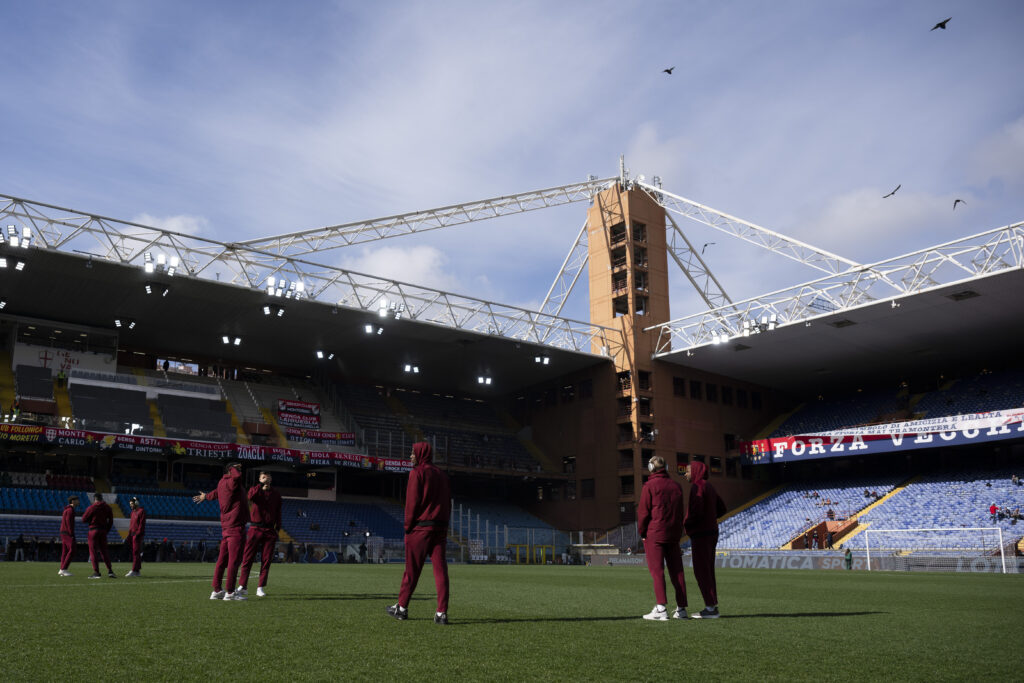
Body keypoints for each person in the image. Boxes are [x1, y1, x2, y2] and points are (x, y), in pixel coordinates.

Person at [386, 441, 451, 625]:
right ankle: (441, 613)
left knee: (411, 571)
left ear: (421, 454)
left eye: (413, 453)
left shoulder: (417, 473)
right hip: (440, 528)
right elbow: (448, 503)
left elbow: (412, 503)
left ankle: (402, 608)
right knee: (441, 571)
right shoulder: (443, 475)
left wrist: (408, 527)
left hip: (421, 528)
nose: (410, 456)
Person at [637, 455, 688, 620]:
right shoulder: (676, 486)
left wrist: (642, 533)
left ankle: (661, 608)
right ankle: (681, 609)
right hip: (673, 534)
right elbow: (680, 512)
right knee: (677, 572)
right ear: (665, 468)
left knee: (657, 572)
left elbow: (643, 513)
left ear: (651, 468)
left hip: (655, 534)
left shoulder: (649, 486)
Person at [193, 461, 249, 601]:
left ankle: (217, 590)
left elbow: (215, 493)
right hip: (235, 527)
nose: (239, 470)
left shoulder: (222, 482)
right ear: (231, 470)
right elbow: (236, 478)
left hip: (227, 527)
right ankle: (230, 592)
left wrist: (205, 496)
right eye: (237, 469)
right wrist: (233, 468)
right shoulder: (232, 481)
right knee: (233, 561)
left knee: (222, 560)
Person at [684, 461, 726, 619]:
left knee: (701, 570)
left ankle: (710, 608)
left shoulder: (697, 486)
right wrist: (711, 518)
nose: (685, 474)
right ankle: (711, 606)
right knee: (707, 570)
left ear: (695, 471)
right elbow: (722, 508)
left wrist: (686, 523)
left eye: (687, 471)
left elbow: (697, 511)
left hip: (701, 534)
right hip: (711, 532)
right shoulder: (709, 486)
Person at [238, 471, 282, 598]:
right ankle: (243, 585)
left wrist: (277, 528)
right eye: (263, 477)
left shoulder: (276, 494)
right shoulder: (255, 490)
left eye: (268, 477)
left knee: (266, 560)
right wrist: (260, 485)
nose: (266, 479)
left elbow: (278, 512)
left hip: (269, 530)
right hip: (255, 528)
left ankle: (260, 587)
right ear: (259, 479)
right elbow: (250, 497)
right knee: (247, 558)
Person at [81, 492, 116, 579]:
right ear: (102, 498)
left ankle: (96, 572)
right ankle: (110, 571)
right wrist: (106, 530)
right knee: (104, 551)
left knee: (93, 552)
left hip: (93, 530)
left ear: (95, 499)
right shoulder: (107, 507)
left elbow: (83, 519)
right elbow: (111, 521)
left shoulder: (92, 507)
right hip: (103, 530)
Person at [58, 495, 79, 576]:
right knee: (72, 549)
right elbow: (69, 522)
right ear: (73, 501)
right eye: (77, 500)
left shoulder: (67, 510)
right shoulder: (70, 510)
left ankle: (61, 569)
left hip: (63, 532)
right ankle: (64, 569)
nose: (78, 502)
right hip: (67, 533)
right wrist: (71, 534)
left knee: (65, 551)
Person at [125, 496, 146, 577]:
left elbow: (141, 524)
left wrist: (138, 533)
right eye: (130, 504)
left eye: (132, 504)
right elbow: (131, 525)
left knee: (135, 552)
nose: (131, 505)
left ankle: (134, 570)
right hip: (132, 535)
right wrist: (129, 535)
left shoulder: (141, 511)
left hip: (137, 535)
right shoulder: (132, 512)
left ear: (136, 503)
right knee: (135, 552)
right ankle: (137, 570)